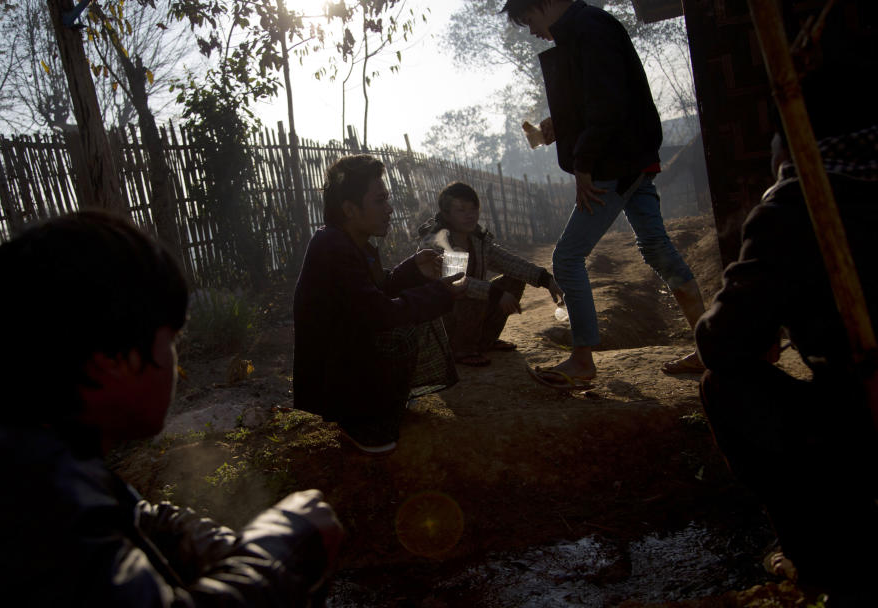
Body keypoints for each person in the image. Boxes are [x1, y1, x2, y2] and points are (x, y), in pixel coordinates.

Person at [0, 211, 343, 606]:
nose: (178, 367)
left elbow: (128, 512)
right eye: (171, 341)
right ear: (110, 359)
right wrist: (283, 544)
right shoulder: (31, 516)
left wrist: (220, 546)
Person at [695, 16, 878, 597]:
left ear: (792, 137)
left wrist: (760, 326)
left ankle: (831, 564)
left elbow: (722, 342)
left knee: (725, 388)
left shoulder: (801, 205)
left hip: (867, 412)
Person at [503, 0, 707, 384]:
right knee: (657, 248)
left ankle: (582, 361)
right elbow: (594, 102)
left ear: (544, 4)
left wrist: (583, 165)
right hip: (631, 158)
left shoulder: (590, 29)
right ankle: (712, 347)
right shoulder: (589, 27)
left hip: (614, 163)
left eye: (528, 18)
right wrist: (556, 126)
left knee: (567, 257)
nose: (530, 30)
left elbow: (608, 107)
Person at [293, 155, 466, 455]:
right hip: (330, 387)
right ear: (349, 209)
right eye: (380, 200)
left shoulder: (352, 244)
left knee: (416, 305)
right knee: (402, 328)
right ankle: (364, 424)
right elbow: (379, 312)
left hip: (344, 367)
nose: (389, 209)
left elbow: (370, 293)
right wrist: (437, 294)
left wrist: (412, 271)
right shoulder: (332, 246)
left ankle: (379, 408)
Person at [418, 181, 563, 367]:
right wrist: (496, 293)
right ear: (446, 215)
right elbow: (455, 283)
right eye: (461, 210)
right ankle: (461, 349)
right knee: (471, 292)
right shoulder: (438, 240)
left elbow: (509, 262)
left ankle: (485, 341)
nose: (470, 215)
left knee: (514, 280)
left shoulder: (477, 239)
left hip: (465, 308)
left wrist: (546, 279)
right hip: (440, 319)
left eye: (473, 208)